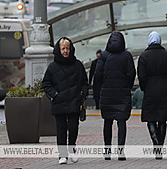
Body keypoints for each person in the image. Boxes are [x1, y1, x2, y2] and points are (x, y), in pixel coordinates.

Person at [42, 37, 89, 165]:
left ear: (71, 49)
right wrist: (54, 95)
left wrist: (82, 94)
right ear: (59, 49)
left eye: (67, 48)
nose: (65, 51)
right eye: (63, 48)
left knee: (74, 127)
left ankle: (72, 150)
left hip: (74, 101)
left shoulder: (77, 65)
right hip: (59, 102)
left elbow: (85, 82)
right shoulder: (53, 67)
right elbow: (46, 84)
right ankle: (62, 155)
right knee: (61, 129)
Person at [94, 32, 136, 161]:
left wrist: (100, 91)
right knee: (121, 121)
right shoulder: (126, 56)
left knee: (108, 121)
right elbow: (131, 74)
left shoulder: (104, 56)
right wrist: (126, 86)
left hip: (107, 93)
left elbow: (98, 75)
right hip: (122, 93)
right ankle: (121, 151)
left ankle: (107, 151)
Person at [137, 31, 167, 160]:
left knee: (150, 117)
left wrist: (144, 87)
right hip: (165, 90)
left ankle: (154, 139)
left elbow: (141, 76)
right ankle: (160, 145)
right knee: (162, 118)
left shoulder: (144, 56)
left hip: (150, 89)